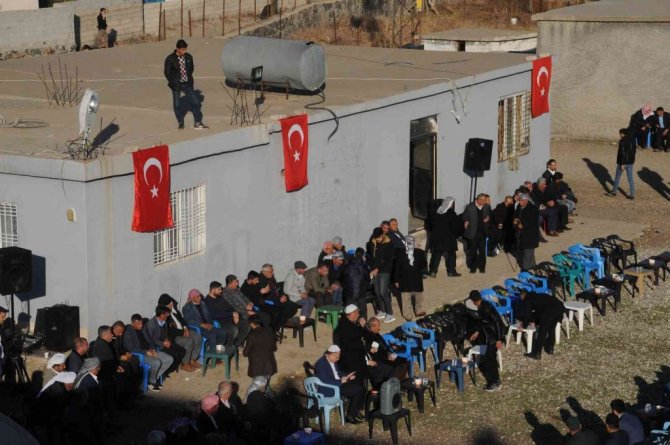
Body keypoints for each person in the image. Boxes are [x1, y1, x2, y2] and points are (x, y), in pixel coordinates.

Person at [164, 39, 208, 130]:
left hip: (187, 84)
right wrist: (173, 82)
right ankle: (181, 122)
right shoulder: (170, 59)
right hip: (176, 85)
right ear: (177, 49)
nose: (184, 51)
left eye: (185, 49)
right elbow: (167, 73)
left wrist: (187, 78)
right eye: (183, 49)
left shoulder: (188, 57)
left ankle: (197, 122)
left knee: (196, 102)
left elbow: (191, 69)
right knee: (177, 105)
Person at [314, 345, 365, 424]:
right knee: (357, 391)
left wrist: (347, 376)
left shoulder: (331, 360)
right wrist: (341, 382)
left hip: (337, 383)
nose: (338, 359)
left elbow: (337, 372)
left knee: (359, 387)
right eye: (337, 357)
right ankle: (350, 416)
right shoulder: (321, 364)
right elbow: (325, 381)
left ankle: (355, 411)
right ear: (331, 354)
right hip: (330, 388)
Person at [122, 313, 173, 391]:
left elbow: (150, 340)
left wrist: (153, 349)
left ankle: (152, 378)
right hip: (140, 355)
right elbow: (131, 349)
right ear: (132, 323)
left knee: (169, 359)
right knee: (156, 362)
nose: (140, 325)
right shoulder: (128, 332)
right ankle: (152, 381)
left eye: (141, 323)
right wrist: (146, 352)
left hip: (150, 351)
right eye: (138, 324)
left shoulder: (143, 329)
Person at [467, 291, 504, 391]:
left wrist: (499, 339)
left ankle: (494, 383)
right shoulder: (483, 306)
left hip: (494, 338)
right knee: (490, 359)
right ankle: (496, 381)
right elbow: (481, 322)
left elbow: (498, 322)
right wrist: (477, 332)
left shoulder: (486, 309)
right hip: (491, 337)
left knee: (489, 360)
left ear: (473, 301)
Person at [158, 293, 203, 371]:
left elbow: (182, 320)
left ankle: (192, 359)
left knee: (198, 337)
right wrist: (182, 332)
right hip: (174, 336)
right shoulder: (162, 314)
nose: (172, 304)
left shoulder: (174, 310)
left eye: (171, 302)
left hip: (183, 330)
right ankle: (184, 363)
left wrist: (185, 328)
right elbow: (169, 331)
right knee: (189, 341)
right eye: (169, 303)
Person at [222, 274, 268, 343]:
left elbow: (244, 297)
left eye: (237, 281)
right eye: (235, 282)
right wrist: (246, 311)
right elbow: (233, 306)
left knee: (265, 316)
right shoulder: (225, 293)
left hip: (247, 309)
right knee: (259, 318)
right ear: (230, 283)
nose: (237, 283)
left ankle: (260, 338)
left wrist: (249, 303)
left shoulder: (237, 289)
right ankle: (240, 343)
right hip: (240, 313)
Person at [519, 290, 564, 359]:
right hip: (559, 307)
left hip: (550, 311)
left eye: (521, 299)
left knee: (542, 332)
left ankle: (537, 353)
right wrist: (534, 321)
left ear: (522, 296)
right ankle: (550, 349)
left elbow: (527, 315)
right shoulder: (538, 295)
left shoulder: (527, 300)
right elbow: (538, 311)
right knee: (551, 330)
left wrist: (523, 326)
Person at [242, 316, 277, 399]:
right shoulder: (269, 331)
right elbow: (274, 348)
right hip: (269, 364)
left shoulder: (252, 335)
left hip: (257, 367)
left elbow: (245, 353)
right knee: (265, 384)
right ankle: (271, 397)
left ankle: (247, 402)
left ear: (251, 324)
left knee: (256, 387)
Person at [145, 305, 188, 372]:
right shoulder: (151, 324)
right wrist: (163, 343)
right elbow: (150, 340)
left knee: (182, 350)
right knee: (174, 353)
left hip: (165, 343)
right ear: (161, 315)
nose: (168, 315)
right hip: (157, 346)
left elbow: (165, 333)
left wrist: (166, 339)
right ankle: (166, 371)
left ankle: (172, 368)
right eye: (166, 314)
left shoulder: (164, 321)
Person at [394, 235, 427, 320]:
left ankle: (418, 311)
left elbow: (424, 265)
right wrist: (396, 280)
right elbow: (397, 267)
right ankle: (408, 315)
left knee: (418, 297)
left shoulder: (420, 252)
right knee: (406, 298)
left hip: (415, 278)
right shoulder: (401, 253)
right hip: (405, 278)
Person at [364, 317, 404, 386]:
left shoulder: (377, 334)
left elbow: (385, 346)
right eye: (378, 326)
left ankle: (401, 382)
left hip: (386, 357)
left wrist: (389, 353)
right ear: (372, 328)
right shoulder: (369, 338)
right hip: (379, 362)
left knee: (403, 360)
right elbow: (374, 354)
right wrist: (387, 357)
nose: (379, 328)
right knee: (393, 368)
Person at [367, 227, 395, 322]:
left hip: (385, 270)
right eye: (376, 238)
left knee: (383, 292)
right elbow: (371, 257)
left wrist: (377, 269)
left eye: (379, 237)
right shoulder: (373, 243)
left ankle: (390, 313)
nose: (378, 239)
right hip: (375, 270)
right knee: (377, 292)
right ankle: (382, 311)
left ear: (382, 235)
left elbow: (387, 260)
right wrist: (372, 268)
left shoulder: (389, 244)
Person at [427, 196, 461, 277]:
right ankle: (451, 271)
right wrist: (457, 235)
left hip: (437, 239)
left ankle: (433, 272)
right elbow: (455, 227)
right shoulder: (451, 214)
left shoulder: (436, 212)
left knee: (436, 255)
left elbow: (430, 224)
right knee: (451, 255)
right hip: (449, 239)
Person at [258, 264, 300, 329]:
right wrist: (279, 299)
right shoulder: (260, 281)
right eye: (271, 271)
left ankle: (280, 324)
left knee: (294, 307)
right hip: (269, 302)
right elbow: (266, 296)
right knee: (285, 309)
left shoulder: (271, 277)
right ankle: (275, 328)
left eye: (272, 271)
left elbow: (277, 288)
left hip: (277, 299)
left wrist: (283, 296)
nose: (272, 273)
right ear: (264, 272)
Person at [204, 280, 242, 346]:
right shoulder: (208, 300)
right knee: (234, 330)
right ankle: (228, 347)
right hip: (218, 321)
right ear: (213, 290)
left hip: (227, 318)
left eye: (221, 289)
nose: (221, 291)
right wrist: (232, 314)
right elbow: (214, 315)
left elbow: (229, 307)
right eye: (219, 289)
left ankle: (234, 345)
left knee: (245, 325)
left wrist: (235, 314)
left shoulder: (219, 297)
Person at [463, 194, 490, 274]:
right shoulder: (469, 207)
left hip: (482, 232)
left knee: (482, 251)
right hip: (473, 233)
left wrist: (488, 218)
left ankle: (482, 268)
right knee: (473, 251)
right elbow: (464, 216)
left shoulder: (487, 207)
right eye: (484, 201)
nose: (485, 202)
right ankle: (473, 267)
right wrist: (466, 221)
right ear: (479, 200)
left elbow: (489, 215)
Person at [513, 193, 540, 271]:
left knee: (528, 249)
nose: (520, 202)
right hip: (522, 233)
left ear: (526, 200)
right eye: (519, 200)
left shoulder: (533, 208)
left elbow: (532, 221)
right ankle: (532, 264)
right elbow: (516, 215)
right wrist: (515, 219)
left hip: (530, 233)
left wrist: (523, 225)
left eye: (521, 200)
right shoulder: (519, 207)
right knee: (527, 250)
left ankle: (525, 268)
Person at [607, 128, 636, 200]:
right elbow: (634, 152)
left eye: (620, 134)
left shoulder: (622, 141)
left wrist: (622, 163)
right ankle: (632, 194)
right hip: (630, 162)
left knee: (617, 177)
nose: (619, 135)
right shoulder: (633, 141)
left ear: (622, 134)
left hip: (622, 162)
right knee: (630, 178)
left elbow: (622, 153)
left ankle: (614, 192)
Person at [342, 248, 371, 317]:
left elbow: (343, 278)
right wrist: (366, 286)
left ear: (355, 254)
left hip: (350, 291)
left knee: (350, 311)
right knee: (362, 310)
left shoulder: (348, 265)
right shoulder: (364, 266)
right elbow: (368, 278)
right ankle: (363, 322)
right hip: (361, 291)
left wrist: (345, 287)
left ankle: (349, 322)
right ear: (363, 256)